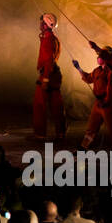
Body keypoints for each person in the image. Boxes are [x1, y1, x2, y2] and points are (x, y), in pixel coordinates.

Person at [72, 47, 112, 149]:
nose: (98, 58)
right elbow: (88, 78)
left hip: (108, 104)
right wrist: (78, 68)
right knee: (91, 128)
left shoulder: (111, 72)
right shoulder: (97, 70)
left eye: (101, 56)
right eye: (98, 56)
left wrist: (106, 101)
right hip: (98, 103)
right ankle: (83, 147)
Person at [32, 13, 65, 141]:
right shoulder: (53, 38)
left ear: (46, 24)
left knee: (39, 105)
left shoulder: (48, 39)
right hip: (55, 74)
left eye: (41, 22)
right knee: (56, 105)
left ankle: (40, 134)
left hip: (48, 74)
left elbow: (48, 60)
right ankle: (60, 132)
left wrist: (45, 79)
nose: (39, 24)